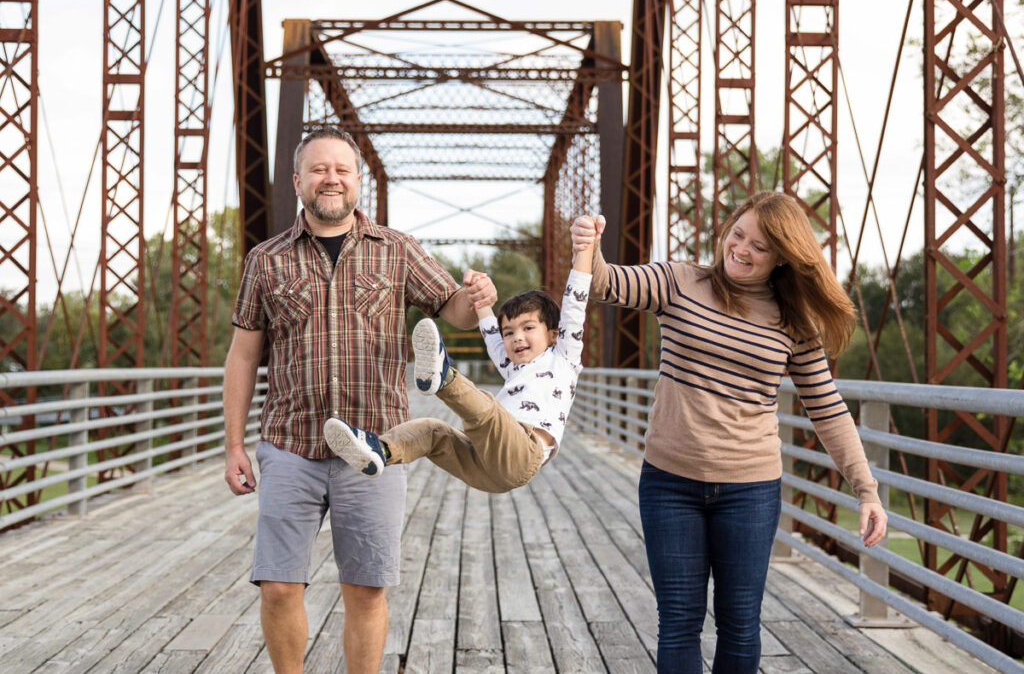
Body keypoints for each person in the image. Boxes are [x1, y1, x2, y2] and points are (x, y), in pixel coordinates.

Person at [570, 192, 888, 674]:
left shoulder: (795, 324)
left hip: (751, 491)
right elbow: (606, 283)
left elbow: (827, 409)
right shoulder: (678, 281)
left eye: (759, 246)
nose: (741, 249)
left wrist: (866, 490)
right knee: (678, 621)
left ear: (782, 256)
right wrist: (587, 247)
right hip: (669, 483)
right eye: (738, 234)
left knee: (740, 624)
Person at [222, 127, 497, 674]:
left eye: (342, 170)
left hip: (375, 447)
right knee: (277, 587)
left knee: (366, 591)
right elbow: (242, 356)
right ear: (298, 181)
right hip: (289, 445)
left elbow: (454, 311)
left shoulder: (396, 251)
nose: (331, 178)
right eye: (319, 169)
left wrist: (480, 298)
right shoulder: (266, 259)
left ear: (358, 182)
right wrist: (233, 444)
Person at [322, 219, 597, 493]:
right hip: (483, 465)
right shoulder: (512, 366)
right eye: (509, 333)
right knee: (433, 432)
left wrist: (584, 248)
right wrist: (478, 293)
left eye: (528, 328)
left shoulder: (564, 358)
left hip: (523, 454)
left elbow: (575, 304)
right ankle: (380, 450)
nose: (517, 338)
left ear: (553, 333)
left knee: (488, 411)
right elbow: (490, 332)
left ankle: (445, 377)